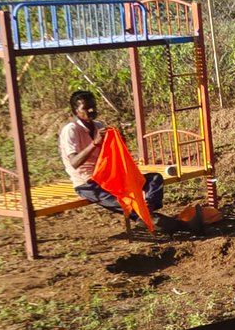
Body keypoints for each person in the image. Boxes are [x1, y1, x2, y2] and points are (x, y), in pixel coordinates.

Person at [58, 90, 189, 233]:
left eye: (93, 106)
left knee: (154, 179)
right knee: (125, 202)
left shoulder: (99, 125)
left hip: (108, 176)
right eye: (86, 108)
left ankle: (148, 209)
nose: (91, 110)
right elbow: (74, 162)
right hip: (88, 182)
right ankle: (163, 221)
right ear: (75, 111)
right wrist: (95, 143)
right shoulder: (71, 130)